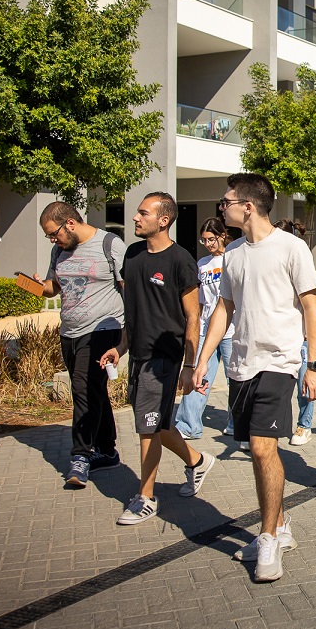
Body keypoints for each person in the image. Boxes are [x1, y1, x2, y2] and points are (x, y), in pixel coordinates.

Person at [194, 173, 316, 582]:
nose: (221, 207)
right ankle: (281, 525)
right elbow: (223, 309)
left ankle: (267, 537)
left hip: (280, 361)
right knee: (255, 448)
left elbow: (311, 307)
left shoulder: (292, 247)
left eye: (225, 201)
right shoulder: (232, 253)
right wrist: (201, 361)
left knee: (262, 446)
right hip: (241, 365)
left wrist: (315, 365)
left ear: (247, 206)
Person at [100, 193, 213, 525]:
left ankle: (146, 497)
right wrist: (120, 348)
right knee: (156, 423)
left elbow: (193, 316)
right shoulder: (133, 256)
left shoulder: (180, 260)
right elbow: (132, 311)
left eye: (142, 213)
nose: (135, 218)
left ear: (164, 220)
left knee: (146, 429)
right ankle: (197, 461)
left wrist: (190, 365)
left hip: (165, 356)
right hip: (138, 355)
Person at [34, 202, 126, 487]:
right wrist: (37, 285)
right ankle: (108, 451)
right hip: (70, 332)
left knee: (83, 391)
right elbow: (53, 287)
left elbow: (129, 291)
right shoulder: (59, 251)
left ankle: (80, 456)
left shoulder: (110, 245)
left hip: (102, 330)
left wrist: (125, 341)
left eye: (53, 234)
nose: (52, 240)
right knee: (94, 390)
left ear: (70, 223)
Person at [174, 218, 234, 440]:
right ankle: (188, 425)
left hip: (231, 330)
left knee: (234, 379)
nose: (208, 244)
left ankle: (237, 424)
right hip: (206, 329)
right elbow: (197, 303)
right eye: (204, 240)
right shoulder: (202, 264)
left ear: (222, 235)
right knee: (197, 376)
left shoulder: (232, 258)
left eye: (211, 239)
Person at [273, 218, 316, 447]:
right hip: (279, 335)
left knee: (303, 385)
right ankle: (276, 425)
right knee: (278, 385)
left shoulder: (299, 257)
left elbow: (314, 303)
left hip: (301, 336)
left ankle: (304, 425)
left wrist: (310, 331)